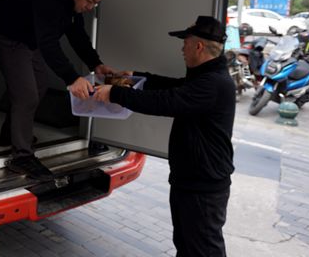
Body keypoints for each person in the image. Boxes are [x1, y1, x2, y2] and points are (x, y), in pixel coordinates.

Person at [94, 16, 235, 257]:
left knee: (203, 250)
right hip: (190, 180)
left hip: (203, 187)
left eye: (185, 43)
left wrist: (115, 93)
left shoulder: (213, 84)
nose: (182, 48)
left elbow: (167, 101)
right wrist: (136, 77)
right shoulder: (205, 77)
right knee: (186, 245)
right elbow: (173, 87)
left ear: (198, 46)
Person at [0, 0, 115, 181]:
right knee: (26, 94)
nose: (90, 7)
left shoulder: (72, 3)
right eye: (89, 0)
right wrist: (71, 78)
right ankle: (21, 156)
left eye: (95, 3)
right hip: (10, 37)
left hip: (31, 41)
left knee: (39, 86)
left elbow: (77, 35)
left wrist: (96, 64)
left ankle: (9, 133)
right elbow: (48, 43)